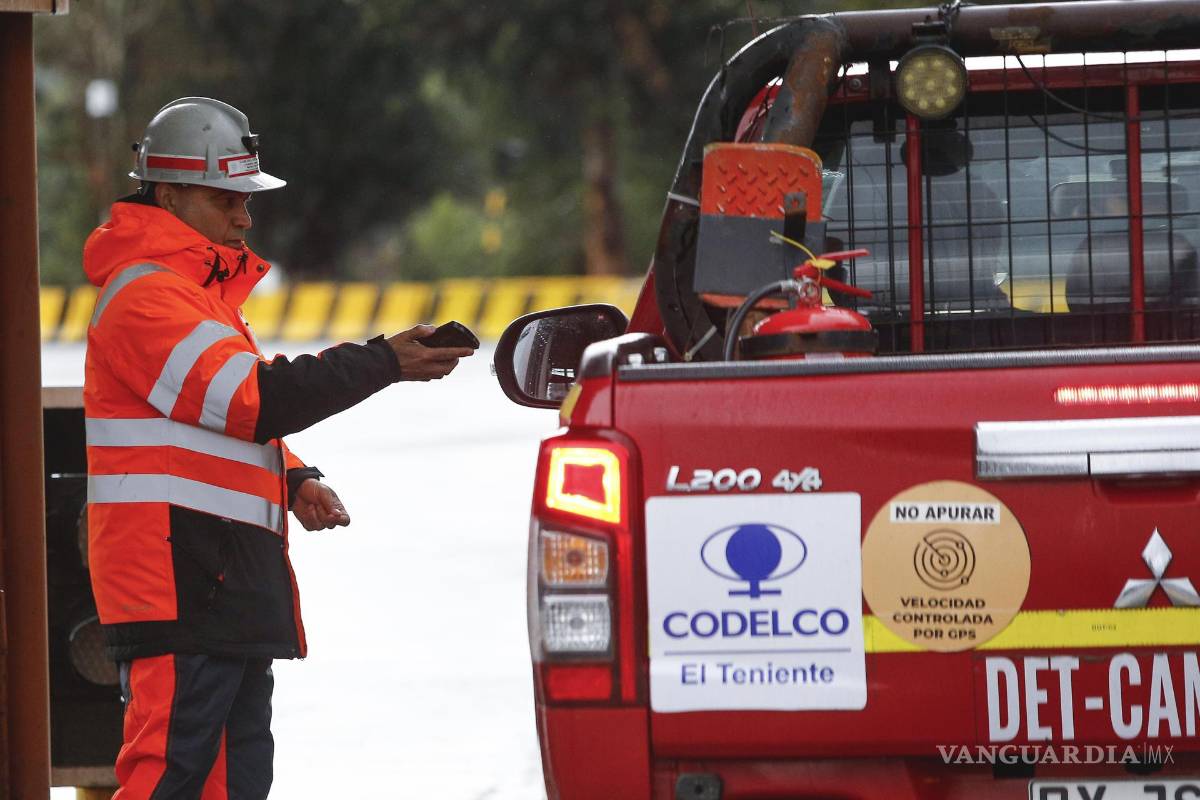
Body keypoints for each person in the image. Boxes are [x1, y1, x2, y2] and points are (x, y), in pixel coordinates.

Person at [82, 97, 475, 799]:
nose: (244, 218)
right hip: (178, 584)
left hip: (213, 583)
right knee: (168, 780)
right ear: (167, 195)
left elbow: (217, 418)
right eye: (225, 199)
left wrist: (292, 479)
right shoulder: (147, 298)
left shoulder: (195, 298)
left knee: (230, 785)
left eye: (245, 200)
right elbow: (251, 400)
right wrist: (383, 361)